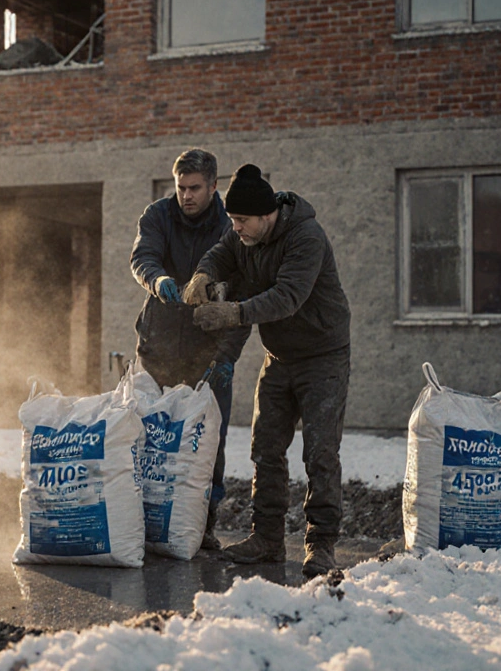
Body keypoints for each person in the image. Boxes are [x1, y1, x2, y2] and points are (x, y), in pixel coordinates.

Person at [182, 163, 351, 579]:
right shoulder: (242, 234)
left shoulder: (306, 237)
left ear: (265, 216)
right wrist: (204, 273)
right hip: (279, 357)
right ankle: (267, 538)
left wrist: (233, 313)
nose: (234, 227)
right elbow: (221, 252)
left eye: (240, 220)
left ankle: (321, 543)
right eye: (231, 219)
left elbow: (287, 297)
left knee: (320, 451)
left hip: (322, 356)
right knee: (265, 449)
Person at [131, 148, 249, 551]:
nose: (186, 196)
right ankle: (145, 520)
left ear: (214, 186)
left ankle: (203, 525)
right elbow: (142, 256)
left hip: (208, 350)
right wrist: (156, 278)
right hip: (159, 343)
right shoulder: (157, 215)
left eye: (195, 188)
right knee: (150, 436)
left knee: (206, 440)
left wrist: (227, 357)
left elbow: (241, 295)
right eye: (180, 187)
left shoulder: (230, 226)